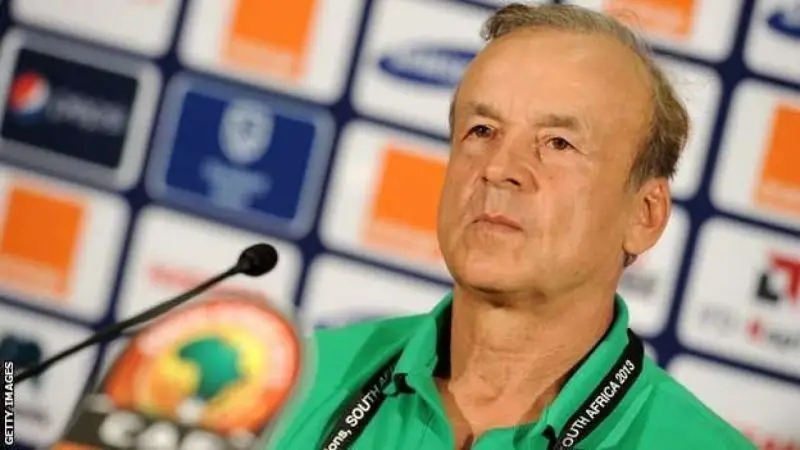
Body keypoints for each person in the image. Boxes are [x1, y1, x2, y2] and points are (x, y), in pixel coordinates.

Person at [266, 3, 756, 450]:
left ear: (645, 215)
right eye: (482, 131)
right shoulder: (287, 387)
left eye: (558, 143)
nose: (499, 167)